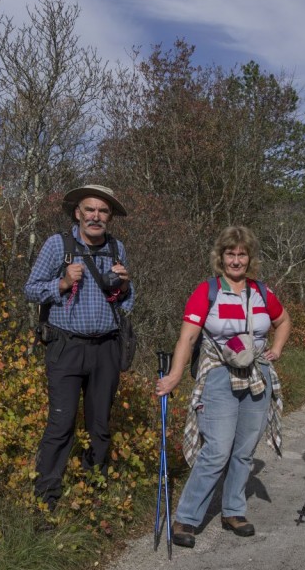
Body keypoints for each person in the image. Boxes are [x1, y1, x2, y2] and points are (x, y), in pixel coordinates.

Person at [155, 225, 291, 549]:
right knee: (217, 450)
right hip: (218, 373)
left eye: (242, 254)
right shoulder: (207, 291)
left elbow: (283, 321)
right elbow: (187, 337)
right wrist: (174, 377)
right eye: (231, 253)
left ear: (250, 257)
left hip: (257, 374)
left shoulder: (262, 292)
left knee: (244, 451)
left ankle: (233, 511)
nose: (236, 260)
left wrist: (278, 348)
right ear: (221, 256)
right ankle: (186, 518)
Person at [24, 184, 135, 512]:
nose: (96, 216)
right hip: (66, 347)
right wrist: (61, 283)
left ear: (109, 216)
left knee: (100, 424)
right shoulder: (58, 246)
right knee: (61, 423)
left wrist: (125, 286)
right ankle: (46, 501)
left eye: (102, 211)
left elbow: (125, 301)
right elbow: (30, 290)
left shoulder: (117, 248)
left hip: (107, 348)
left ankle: (94, 492)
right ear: (78, 213)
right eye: (90, 210)